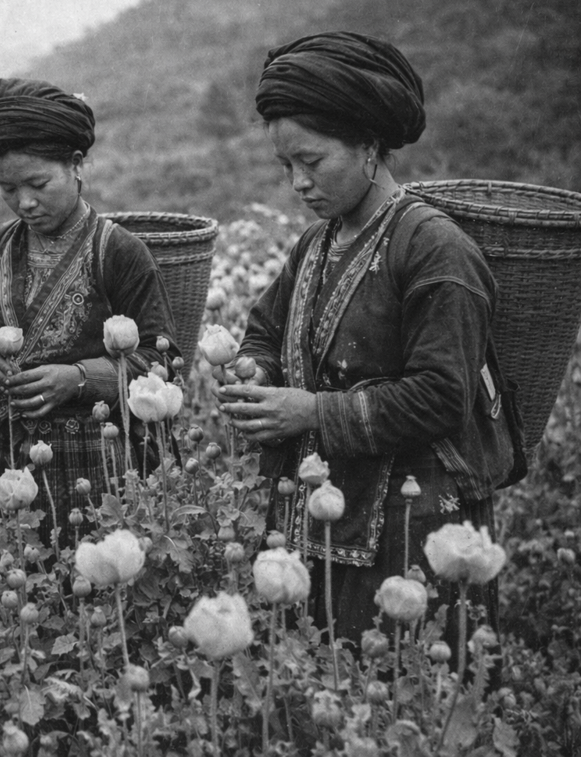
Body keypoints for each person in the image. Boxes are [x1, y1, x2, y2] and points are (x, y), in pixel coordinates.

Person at [218, 32, 521, 647]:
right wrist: (256, 369)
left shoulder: (435, 250)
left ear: (369, 145)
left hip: (415, 526)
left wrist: (309, 410)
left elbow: (442, 395)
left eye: (313, 161)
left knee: (410, 695)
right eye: (286, 167)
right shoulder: (317, 242)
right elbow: (267, 328)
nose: (298, 182)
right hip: (326, 512)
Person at [0, 78, 179, 634]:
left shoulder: (118, 251)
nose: (24, 201)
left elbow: (165, 362)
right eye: (7, 189)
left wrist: (80, 377)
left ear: (75, 165)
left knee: (79, 609)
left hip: (92, 467)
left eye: (38, 183)